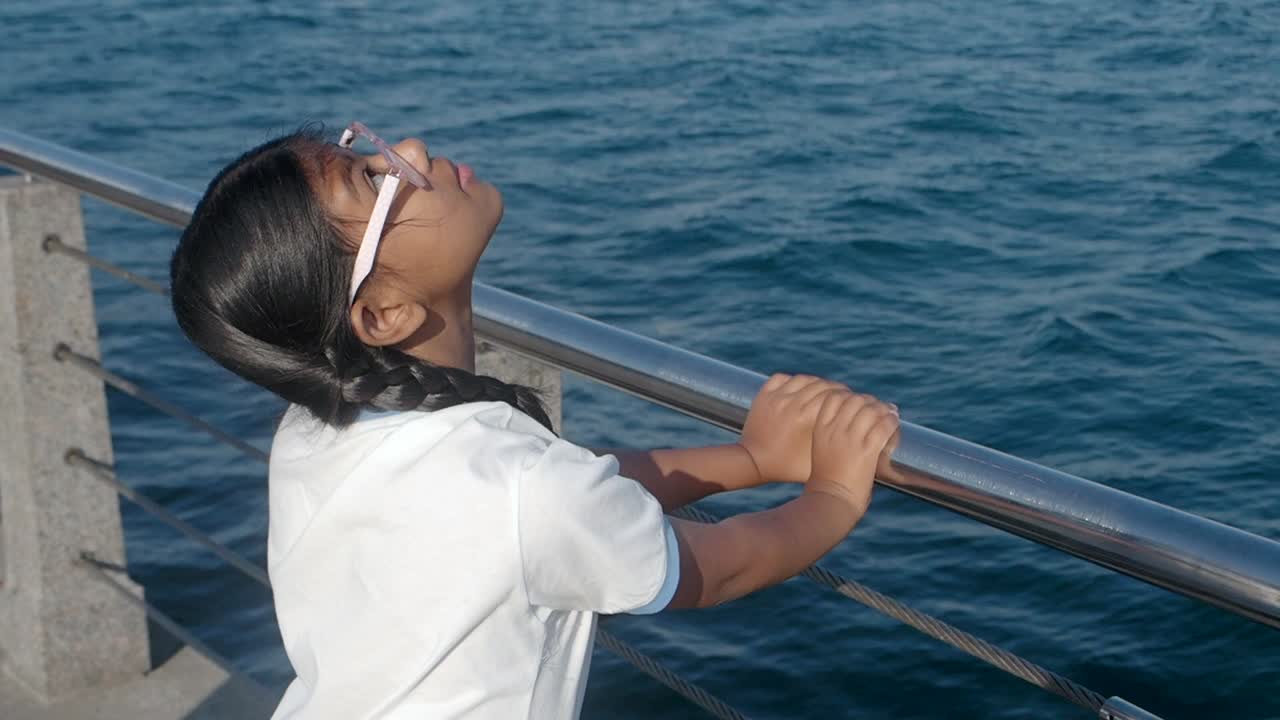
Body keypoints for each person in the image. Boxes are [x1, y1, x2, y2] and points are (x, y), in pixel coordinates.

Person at [169, 123, 900, 719]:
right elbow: (717, 567)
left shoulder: (320, 428)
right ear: (383, 313)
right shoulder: (513, 487)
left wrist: (751, 461)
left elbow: (568, 494)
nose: (411, 152)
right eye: (371, 180)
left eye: (365, 148)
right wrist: (833, 495)